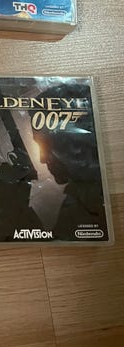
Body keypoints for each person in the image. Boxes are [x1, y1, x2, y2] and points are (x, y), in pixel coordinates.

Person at [32, 82, 108, 240]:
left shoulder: (85, 204)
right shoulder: (79, 201)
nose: (42, 159)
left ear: (76, 145)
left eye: (45, 146)